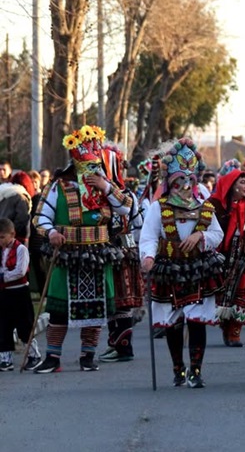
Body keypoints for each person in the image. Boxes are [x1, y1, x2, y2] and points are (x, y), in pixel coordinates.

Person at [32, 125, 132, 373]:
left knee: (96, 307)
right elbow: (40, 218)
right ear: (75, 162)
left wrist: (106, 187)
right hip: (68, 254)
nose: (90, 169)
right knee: (59, 307)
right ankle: (53, 358)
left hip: (98, 254)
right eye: (85, 163)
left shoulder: (105, 186)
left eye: (93, 163)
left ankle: (88, 356)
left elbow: (126, 208)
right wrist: (52, 232)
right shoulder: (58, 186)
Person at [139, 138, 225, 388]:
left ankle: (196, 371)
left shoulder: (204, 208)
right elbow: (148, 236)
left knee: (197, 320)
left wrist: (201, 236)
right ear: (171, 182)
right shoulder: (158, 208)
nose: (185, 187)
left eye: (189, 182)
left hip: (197, 268)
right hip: (169, 269)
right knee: (173, 322)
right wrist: (148, 257)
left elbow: (217, 235)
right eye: (179, 182)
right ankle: (179, 369)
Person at [98, 144, 143, 363]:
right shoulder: (96, 195)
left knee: (122, 302)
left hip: (123, 253)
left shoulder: (125, 196)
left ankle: (124, 347)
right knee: (111, 301)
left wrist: (139, 251)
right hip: (104, 252)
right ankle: (115, 343)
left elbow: (136, 223)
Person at [209, 168, 245, 347]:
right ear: (230, 185)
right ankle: (224, 325)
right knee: (220, 294)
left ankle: (235, 332)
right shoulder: (214, 205)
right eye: (242, 182)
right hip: (222, 256)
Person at [0, 218, 41, 371]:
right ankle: (5, 359)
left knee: (24, 325)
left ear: (12, 234)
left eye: (2, 237)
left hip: (19, 291)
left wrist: (4, 276)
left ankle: (34, 355)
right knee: (4, 325)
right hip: (4, 293)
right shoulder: (1, 250)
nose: (0, 241)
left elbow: (20, 271)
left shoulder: (21, 249)